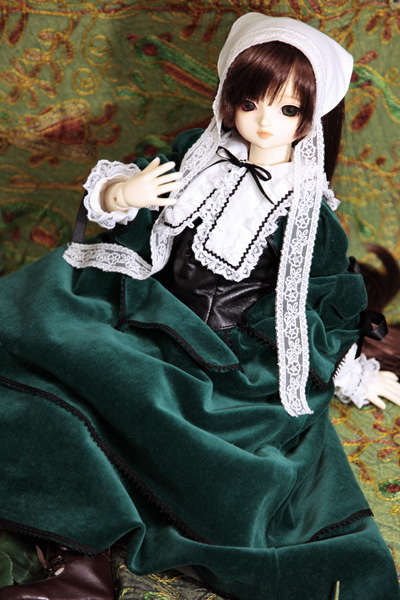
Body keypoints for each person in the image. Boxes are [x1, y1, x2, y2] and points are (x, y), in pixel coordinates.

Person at [0, 12, 399, 600]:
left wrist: (353, 371)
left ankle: (82, 564)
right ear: (228, 99)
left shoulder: (307, 211)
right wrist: (124, 193)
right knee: (41, 332)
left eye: (288, 110)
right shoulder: (197, 154)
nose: (265, 122)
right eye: (251, 103)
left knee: (151, 413)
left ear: (311, 119)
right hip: (151, 306)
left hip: (226, 354)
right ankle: (77, 558)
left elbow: (319, 299)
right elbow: (130, 207)